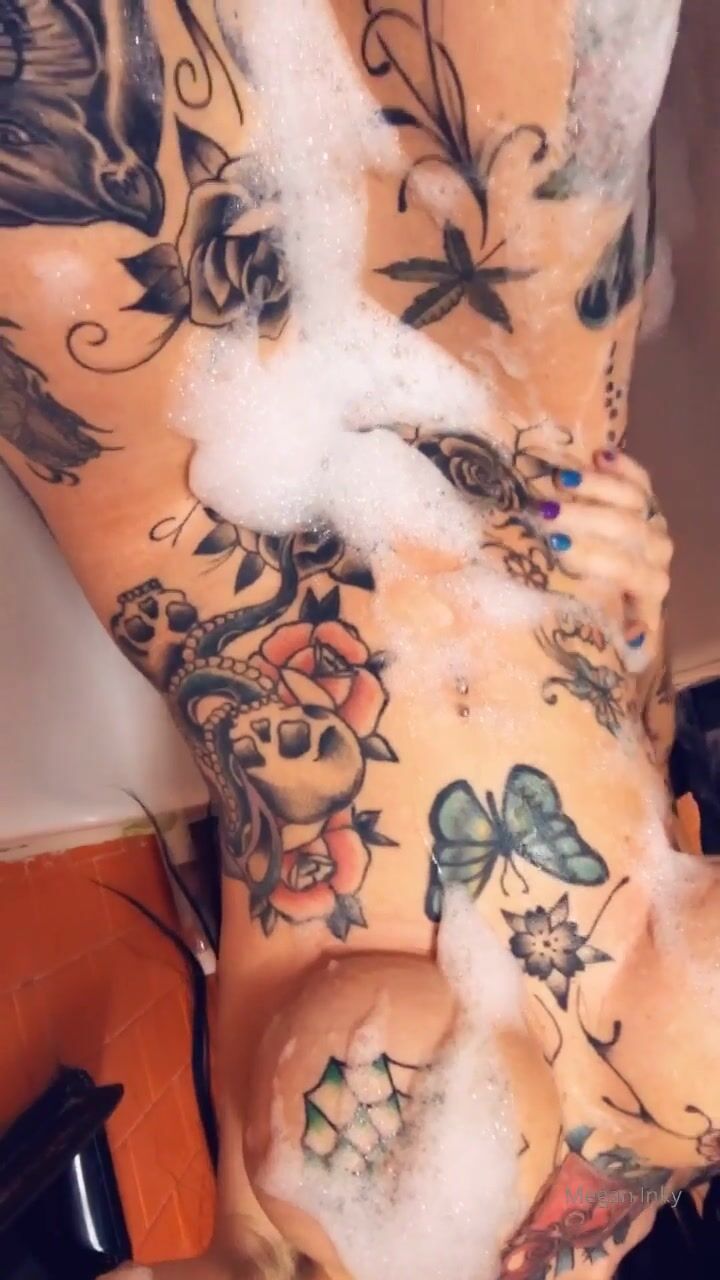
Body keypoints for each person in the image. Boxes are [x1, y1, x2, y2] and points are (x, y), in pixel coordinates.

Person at [3, 4, 715, 1279]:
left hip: (195, 484)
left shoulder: (319, 1254)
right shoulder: (682, 1112)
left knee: (60, 59)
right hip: (528, 408)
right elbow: (637, 750)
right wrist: (634, 591)